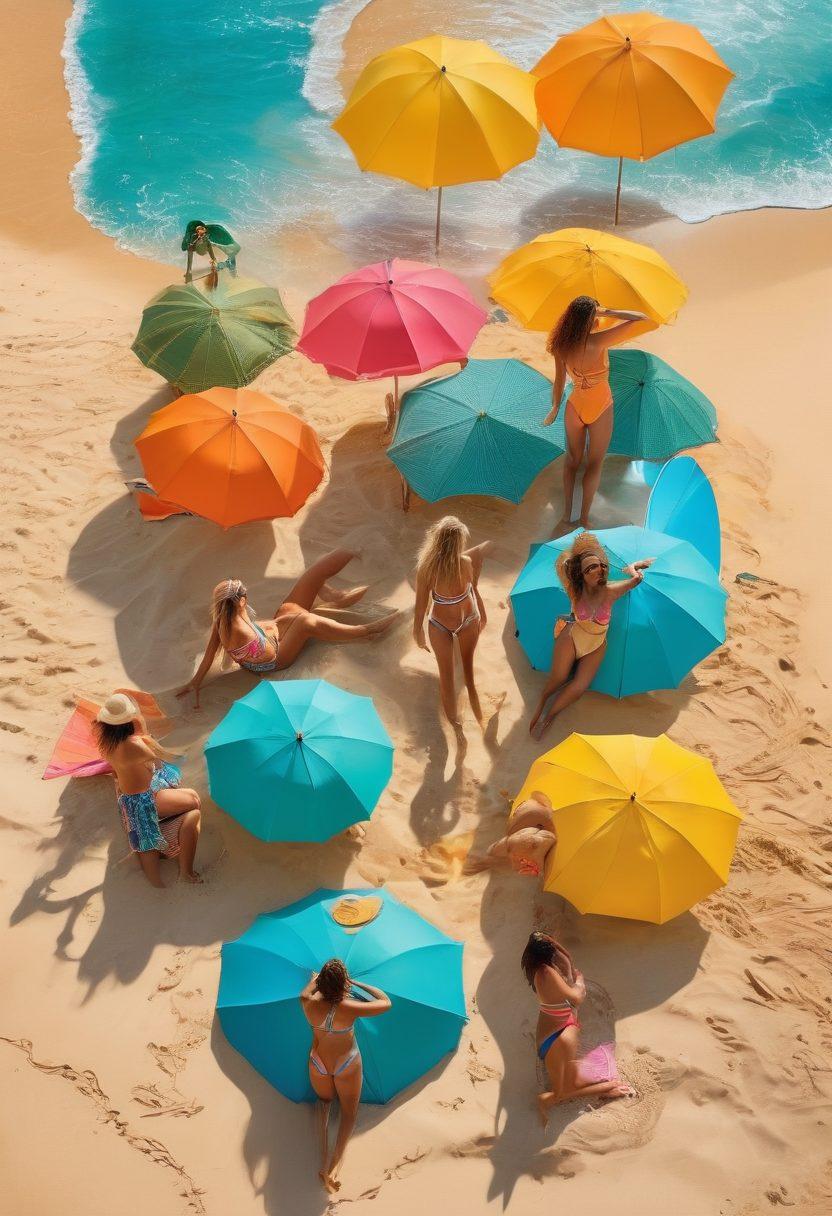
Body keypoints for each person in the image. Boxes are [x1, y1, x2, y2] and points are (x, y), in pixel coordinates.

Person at [176, 552, 399, 708]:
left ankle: (334, 594)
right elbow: (265, 650)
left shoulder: (223, 621)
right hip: (274, 661)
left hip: (265, 641)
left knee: (297, 598)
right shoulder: (239, 629)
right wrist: (281, 626)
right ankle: (365, 631)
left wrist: (195, 683)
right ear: (241, 602)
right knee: (305, 622)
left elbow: (208, 656)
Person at [529, 532, 653, 737]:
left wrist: (634, 566)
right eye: (591, 568)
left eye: (602, 566)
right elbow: (564, 566)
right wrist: (577, 555)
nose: (599, 570)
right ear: (582, 574)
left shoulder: (612, 591)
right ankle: (542, 701)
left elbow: (636, 579)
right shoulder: (574, 590)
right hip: (573, 636)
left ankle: (550, 715)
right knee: (558, 678)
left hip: (596, 644)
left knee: (579, 688)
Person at [543, 296, 650, 533]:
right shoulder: (598, 340)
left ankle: (566, 515)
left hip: (574, 406)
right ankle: (583, 519)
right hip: (600, 406)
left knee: (572, 462)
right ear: (590, 319)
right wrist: (605, 311)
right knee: (594, 463)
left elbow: (559, 382)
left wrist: (554, 408)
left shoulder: (561, 344)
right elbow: (640, 317)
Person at [522, 931, 632, 1127]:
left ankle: (603, 1087)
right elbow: (576, 997)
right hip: (558, 1038)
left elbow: (567, 959)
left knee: (577, 1077)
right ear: (547, 952)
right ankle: (548, 1100)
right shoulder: (547, 972)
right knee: (562, 1091)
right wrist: (580, 982)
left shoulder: (537, 968)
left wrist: (553, 944)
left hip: (555, 1034)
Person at [300, 960, 391, 1193]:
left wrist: (316, 979)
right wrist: (356, 982)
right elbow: (385, 1002)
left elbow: (308, 989)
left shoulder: (306, 1001)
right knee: (349, 1113)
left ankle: (322, 1159)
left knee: (325, 1102)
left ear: (321, 983)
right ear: (343, 984)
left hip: (318, 1063)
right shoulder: (349, 1007)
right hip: (346, 1063)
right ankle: (332, 1169)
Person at [94, 693, 202, 887]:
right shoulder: (136, 745)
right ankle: (186, 871)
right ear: (128, 721)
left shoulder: (107, 745)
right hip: (146, 800)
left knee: (189, 798)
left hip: (129, 801)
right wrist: (143, 727)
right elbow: (164, 756)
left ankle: (160, 841)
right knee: (194, 803)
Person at [413, 518, 489, 730]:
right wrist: (417, 631)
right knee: (451, 677)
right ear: (457, 542)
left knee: (464, 674)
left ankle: (471, 722)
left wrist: (482, 613)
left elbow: (473, 589)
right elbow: (420, 606)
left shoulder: (464, 563)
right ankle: (459, 725)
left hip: (465, 620)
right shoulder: (427, 569)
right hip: (442, 624)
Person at [464, 791, 557, 878]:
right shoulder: (544, 826)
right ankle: (484, 863)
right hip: (529, 839)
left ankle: (483, 863)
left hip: (524, 833)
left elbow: (536, 796)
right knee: (510, 855)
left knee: (503, 851)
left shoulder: (535, 812)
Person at [181, 220, 240, 287]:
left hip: (221, 243)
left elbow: (236, 248)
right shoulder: (191, 238)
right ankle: (224, 265)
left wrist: (225, 265)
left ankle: (230, 268)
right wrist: (189, 271)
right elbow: (186, 249)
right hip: (205, 243)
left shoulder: (218, 232)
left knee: (229, 255)